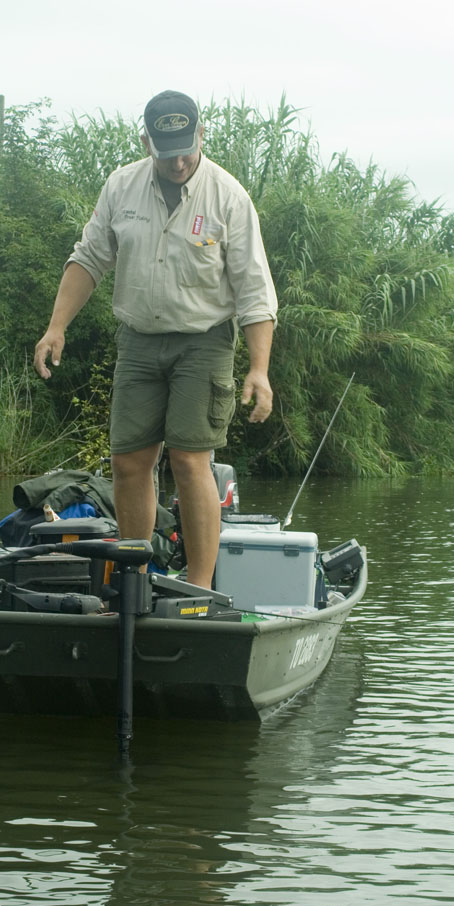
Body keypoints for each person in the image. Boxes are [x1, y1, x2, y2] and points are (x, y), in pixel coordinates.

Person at [34, 90, 277, 588]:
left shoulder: (228, 196)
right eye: (167, 151)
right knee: (129, 461)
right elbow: (89, 258)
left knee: (191, 460)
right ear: (147, 141)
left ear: (201, 135)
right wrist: (56, 327)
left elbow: (255, 289)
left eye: (187, 148)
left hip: (204, 340)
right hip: (140, 340)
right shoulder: (121, 187)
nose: (180, 160)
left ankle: (201, 586)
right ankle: (135, 578)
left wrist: (258, 369)